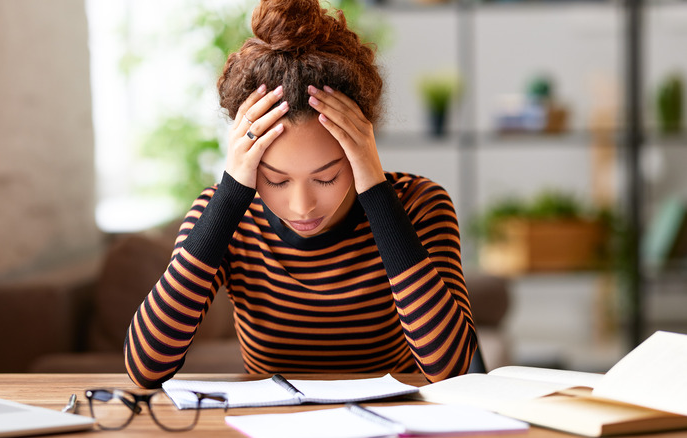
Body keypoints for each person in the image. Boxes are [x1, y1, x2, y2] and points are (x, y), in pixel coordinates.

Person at [125, 0, 476, 389]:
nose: (302, 206)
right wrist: (229, 196)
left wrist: (376, 192)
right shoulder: (223, 213)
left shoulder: (419, 204)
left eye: (326, 178)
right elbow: (146, 368)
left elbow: (453, 371)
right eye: (276, 180)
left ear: (363, 147)